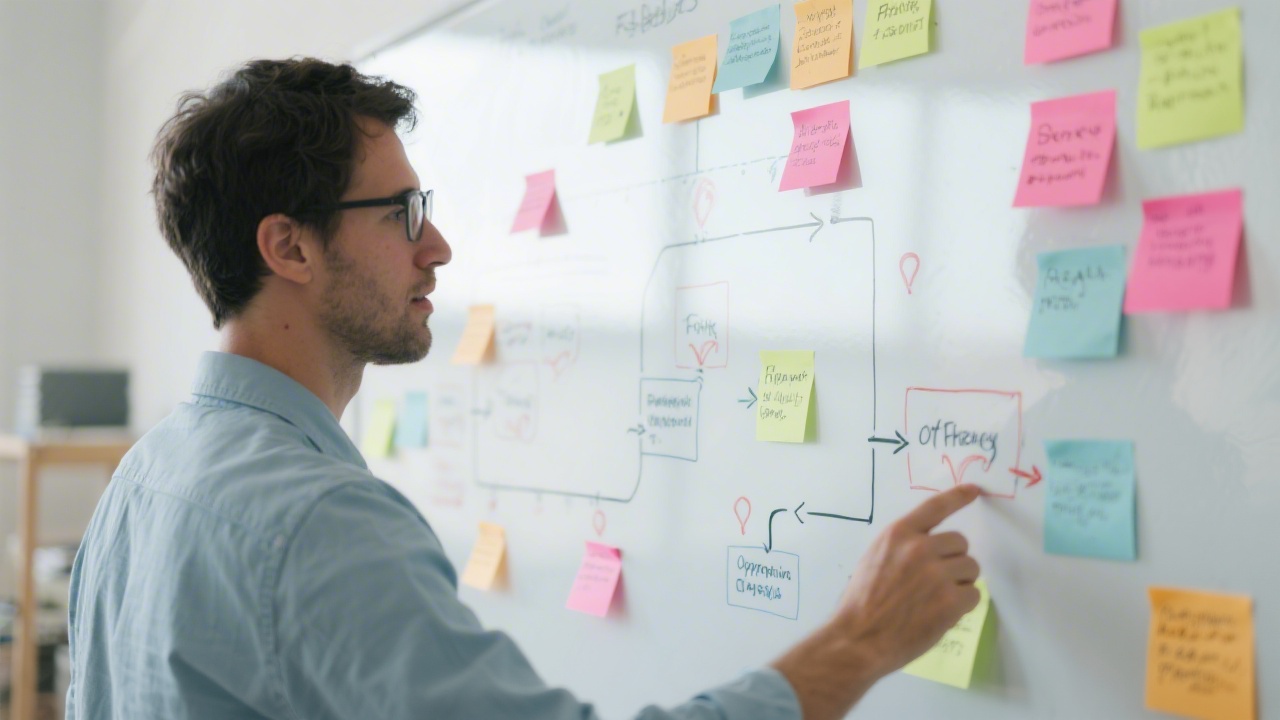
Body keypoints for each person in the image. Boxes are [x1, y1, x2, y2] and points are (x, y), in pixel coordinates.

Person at [66, 57, 982, 720]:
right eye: (402, 213)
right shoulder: (317, 523)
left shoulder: (145, 477)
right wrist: (859, 642)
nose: (437, 247)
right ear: (289, 246)